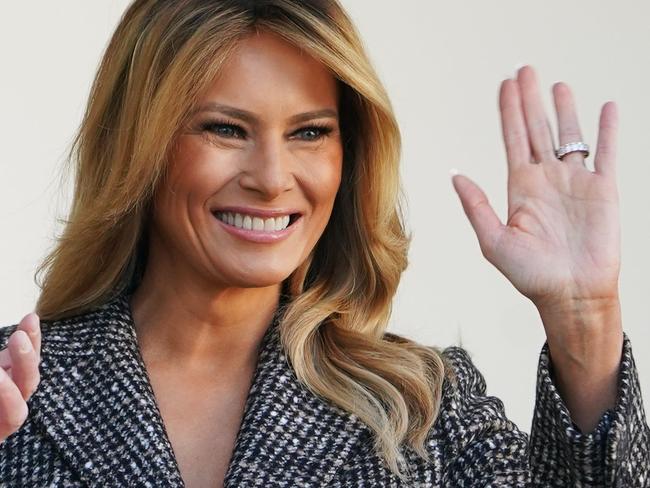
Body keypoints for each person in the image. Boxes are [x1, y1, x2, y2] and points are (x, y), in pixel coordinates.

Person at [0, 0, 648, 486]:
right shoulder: (14, 389)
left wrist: (584, 320)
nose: (272, 178)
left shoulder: (421, 405)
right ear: (140, 144)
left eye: (309, 133)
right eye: (226, 129)